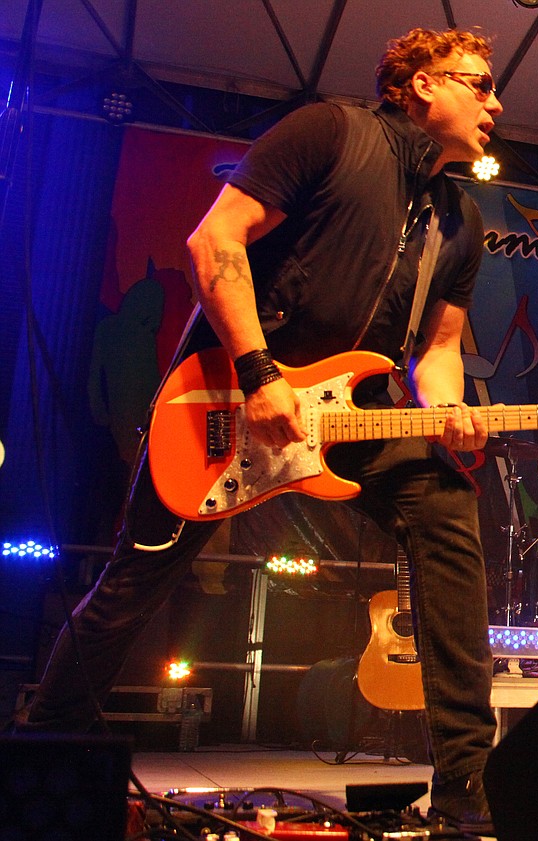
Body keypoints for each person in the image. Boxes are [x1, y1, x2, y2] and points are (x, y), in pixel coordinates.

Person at [21, 27, 503, 833]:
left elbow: (440, 352)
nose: (496, 104)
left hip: (357, 414)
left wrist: (448, 409)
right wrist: (257, 371)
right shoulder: (330, 133)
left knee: (447, 507)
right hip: (230, 398)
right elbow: (215, 240)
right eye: (480, 84)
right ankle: (38, 755)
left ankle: (467, 789)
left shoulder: (461, 221)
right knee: (132, 587)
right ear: (421, 84)